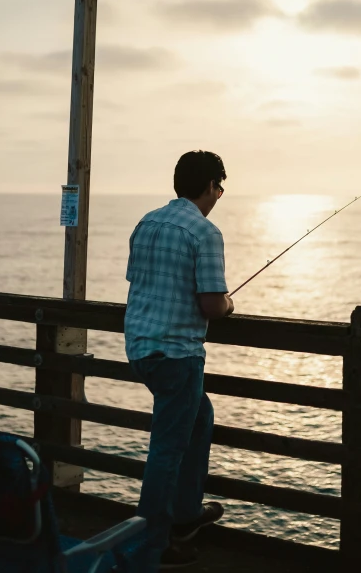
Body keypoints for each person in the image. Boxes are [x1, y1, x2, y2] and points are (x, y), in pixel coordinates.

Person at [125, 150, 234, 570]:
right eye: (219, 188)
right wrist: (227, 305)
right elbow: (210, 305)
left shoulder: (146, 222)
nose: (218, 196)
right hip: (177, 354)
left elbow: (144, 284)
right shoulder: (205, 233)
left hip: (141, 347)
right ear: (209, 186)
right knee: (167, 451)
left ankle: (186, 514)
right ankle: (155, 544)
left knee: (199, 418)